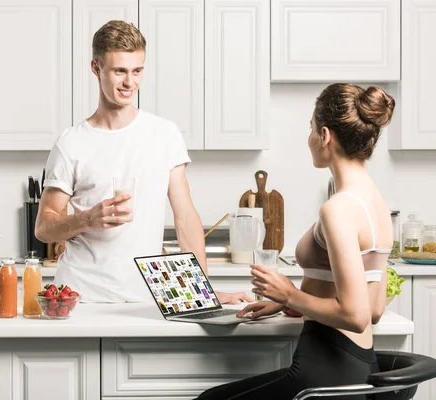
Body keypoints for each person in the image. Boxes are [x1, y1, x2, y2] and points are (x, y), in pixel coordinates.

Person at [196, 83, 396, 400]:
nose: (309, 139)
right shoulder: (377, 205)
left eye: (311, 129)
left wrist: (289, 295)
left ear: (326, 136)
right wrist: (285, 301)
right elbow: (374, 310)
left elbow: (356, 316)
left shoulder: (338, 209)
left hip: (323, 374)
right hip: (356, 365)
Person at [35, 20, 252, 304]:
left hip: (147, 297)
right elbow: (43, 227)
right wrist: (88, 219)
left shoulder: (164, 134)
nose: (130, 82)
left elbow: (185, 217)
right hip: (81, 296)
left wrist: (204, 291)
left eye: (137, 71)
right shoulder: (71, 143)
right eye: (120, 71)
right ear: (96, 68)